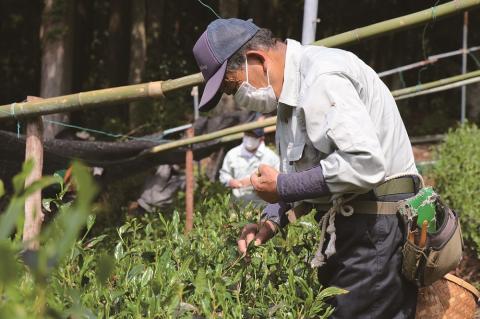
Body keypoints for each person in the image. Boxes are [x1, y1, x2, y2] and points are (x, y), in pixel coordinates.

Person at [192, 18, 419, 318]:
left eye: (232, 87)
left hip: (377, 230)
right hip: (356, 229)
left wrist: (282, 187)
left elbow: (365, 162)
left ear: (256, 60)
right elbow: (310, 176)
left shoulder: (321, 78)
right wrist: (272, 219)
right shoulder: (290, 98)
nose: (237, 99)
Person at [219, 127, 280, 207]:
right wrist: (230, 181)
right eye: (248, 135)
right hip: (239, 204)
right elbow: (224, 174)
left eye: (253, 136)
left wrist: (257, 182)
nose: (249, 139)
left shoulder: (271, 157)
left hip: (263, 205)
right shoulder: (232, 154)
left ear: (261, 139)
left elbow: (278, 179)